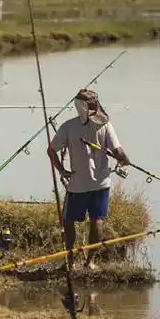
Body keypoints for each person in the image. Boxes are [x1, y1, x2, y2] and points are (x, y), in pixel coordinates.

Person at [47, 89, 130, 271]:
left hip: (78, 185)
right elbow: (118, 151)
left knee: (69, 221)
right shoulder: (106, 126)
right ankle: (89, 262)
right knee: (97, 221)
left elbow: (51, 150)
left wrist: (62, 171)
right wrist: (125, 159)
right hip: (101, 184)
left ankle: (70, 262)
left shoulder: (69, 127)